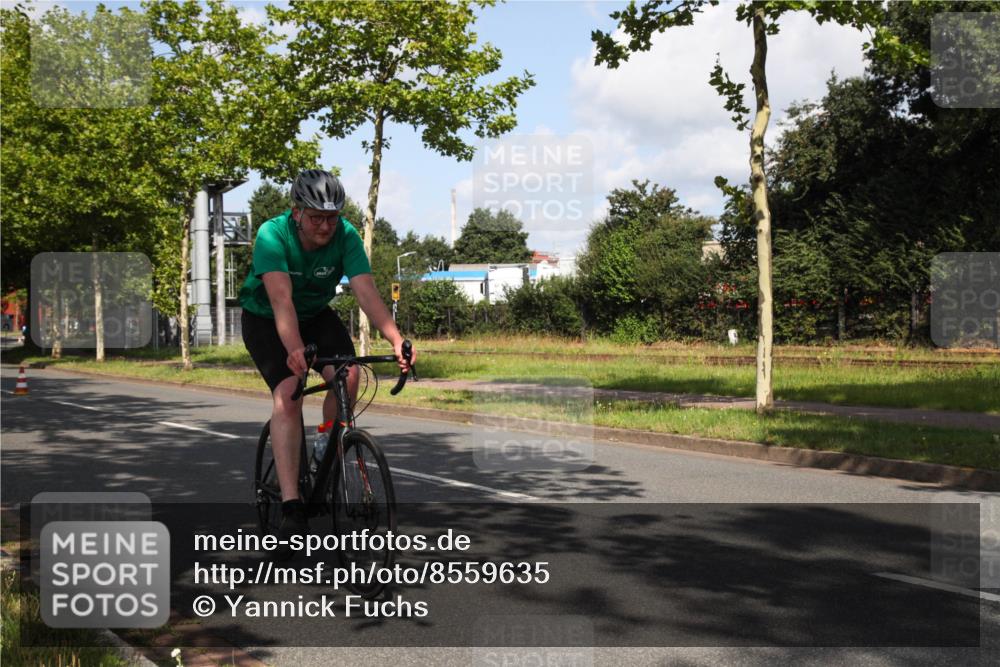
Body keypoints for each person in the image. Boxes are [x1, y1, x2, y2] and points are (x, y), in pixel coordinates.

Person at [238, 169, 414, 552]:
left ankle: (324, 447)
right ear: (297, 213)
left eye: (332, 218)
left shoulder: (346, 235)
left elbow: (366, 292)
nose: (325, 226)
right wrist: (294, 349)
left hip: (315, 314)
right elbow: (281, 301)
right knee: (289, 392)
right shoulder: (272, 235)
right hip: (266, 317)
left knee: (349, 375)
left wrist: (397, 339)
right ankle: (291, 505)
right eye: (316, 217)